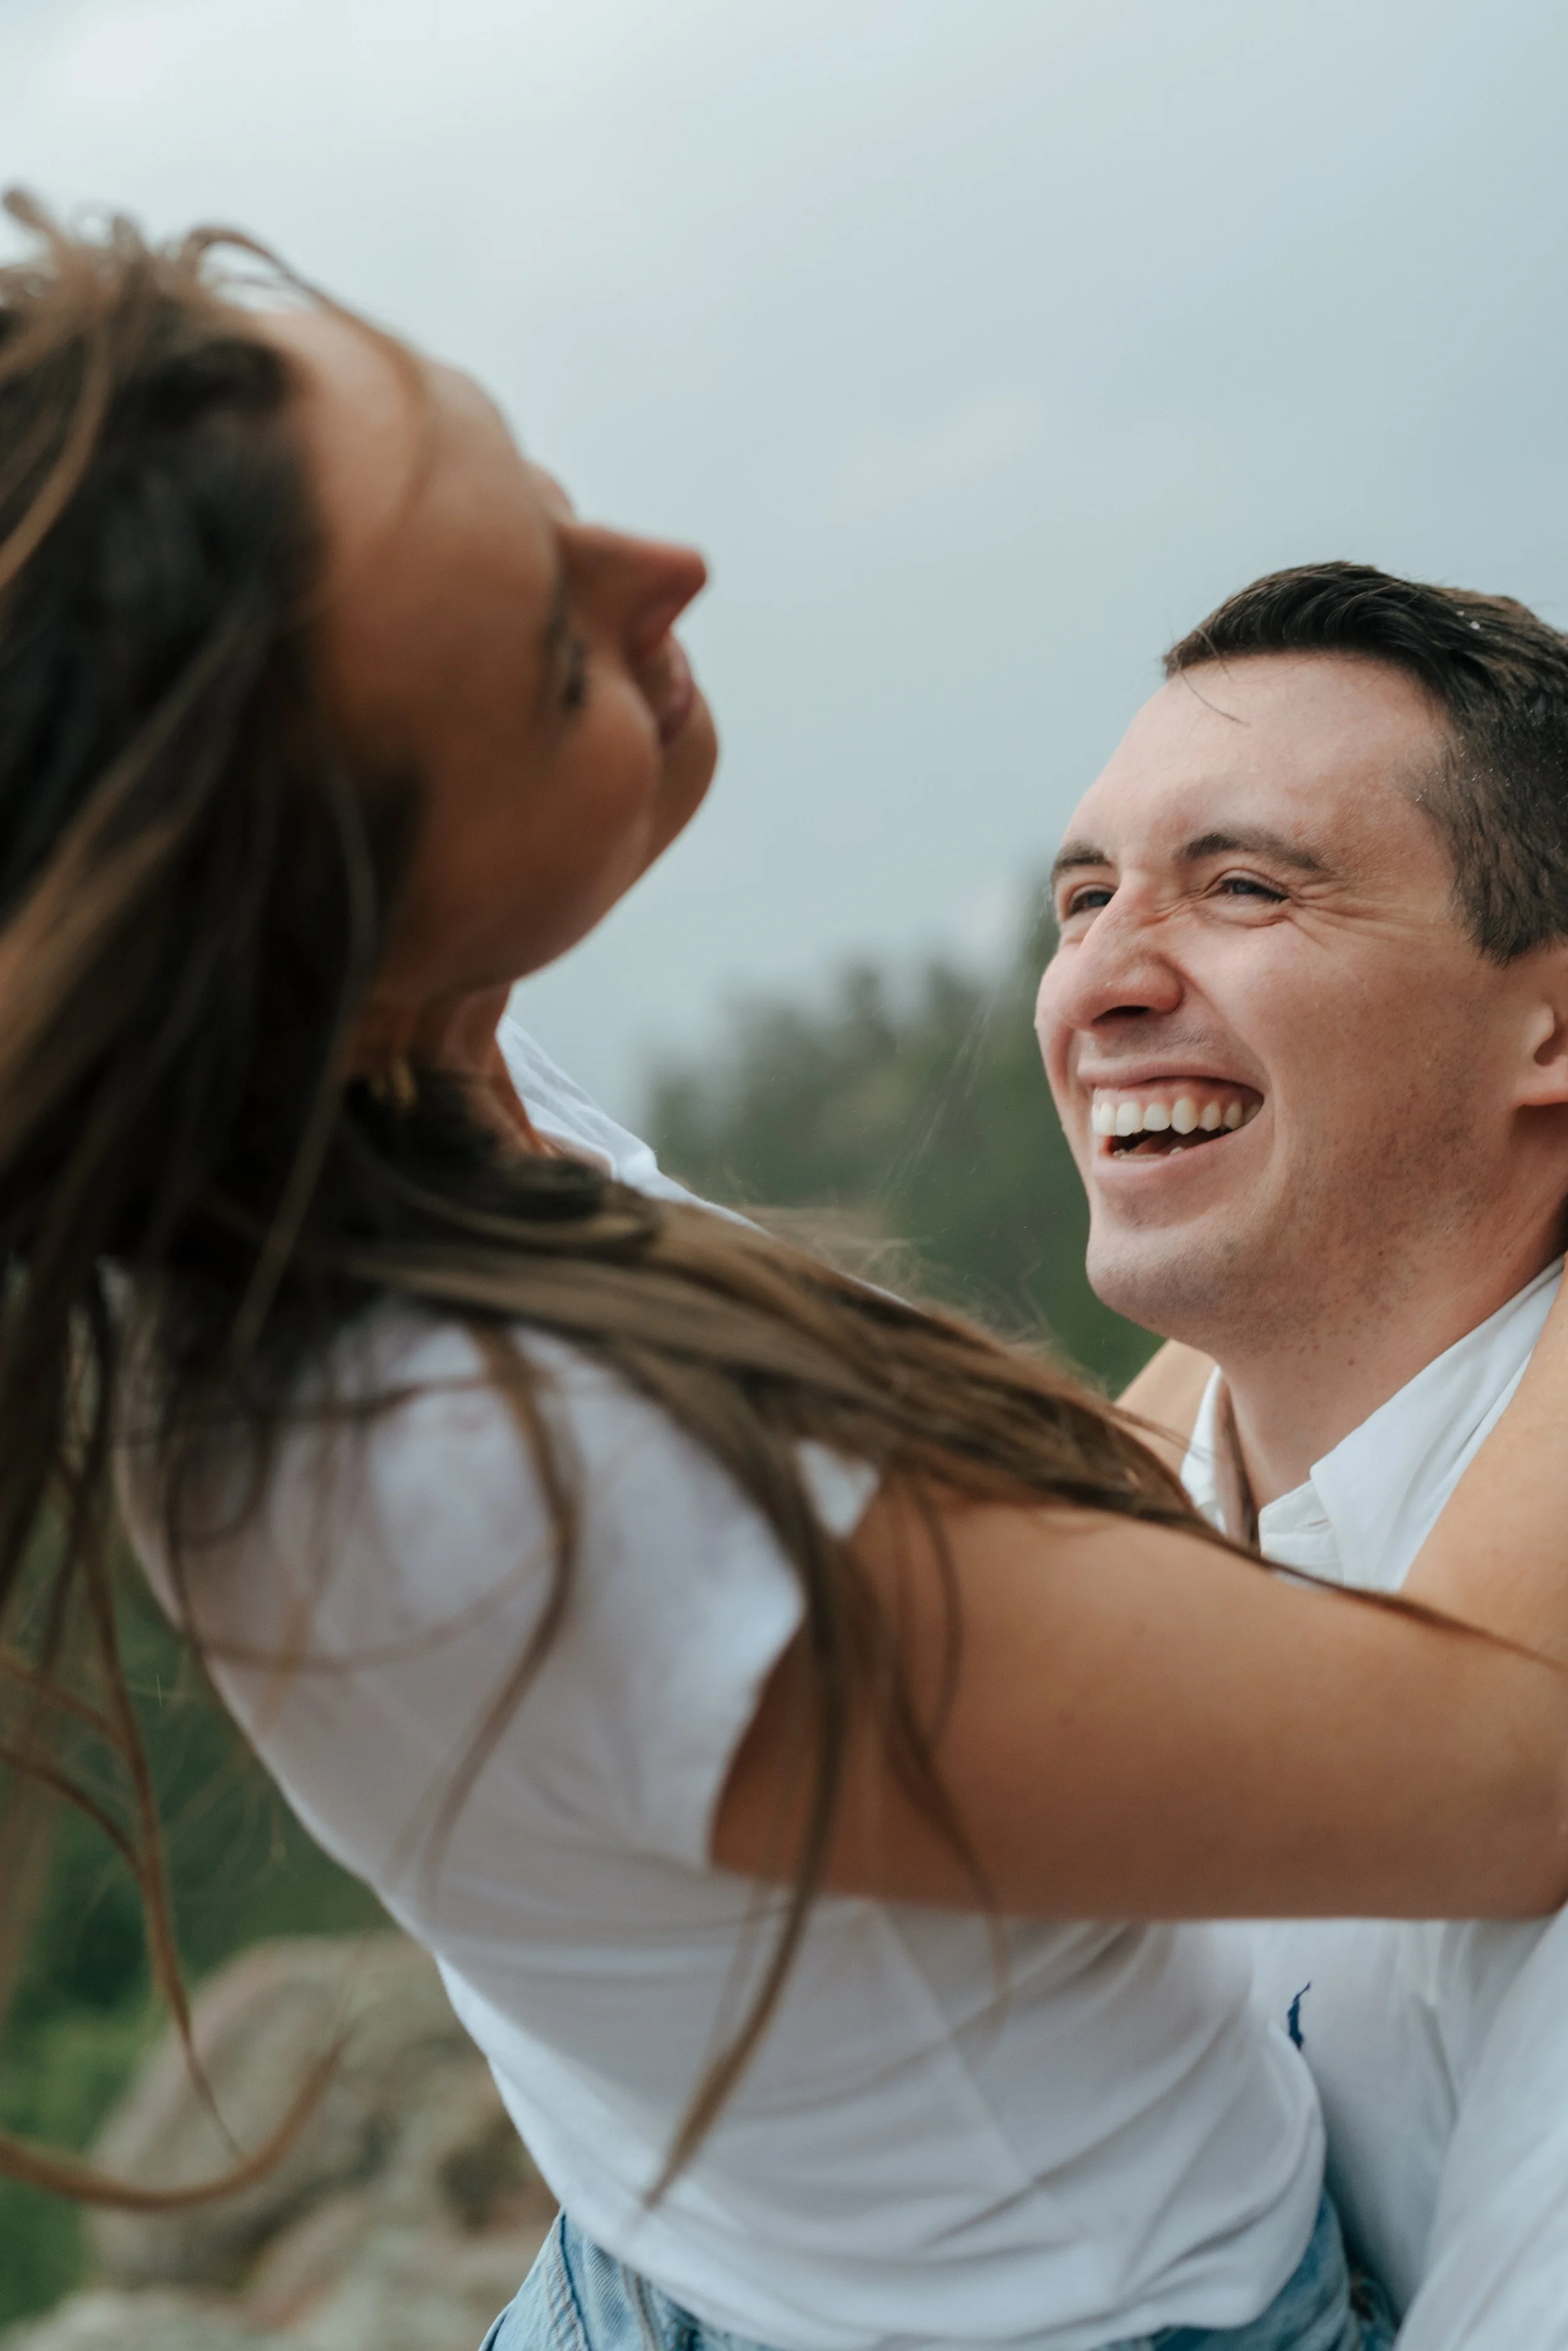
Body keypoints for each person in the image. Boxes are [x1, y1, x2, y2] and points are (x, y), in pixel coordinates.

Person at [4, 213, 1568, 2351]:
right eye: (551, 649)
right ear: (333, 896)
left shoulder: (368, 1108)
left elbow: (1006, 1566)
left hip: (700, 2251)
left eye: (541, 498)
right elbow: (1515, 1762)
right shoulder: (505, 1469)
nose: (667, 571)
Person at [1033, 561, 1568, 2347]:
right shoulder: (1109, 1528)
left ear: (1550, 1024)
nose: (1097, 984)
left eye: (1244, 886)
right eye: (1080, 897)